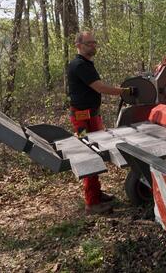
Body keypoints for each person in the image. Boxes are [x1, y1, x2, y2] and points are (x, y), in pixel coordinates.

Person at [67, 31, 137, 214]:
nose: (94, 46)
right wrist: (125, 91)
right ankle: (92, 203)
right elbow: (100, 87)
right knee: (88, 155)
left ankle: (96, 193)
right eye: (89, 43)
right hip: (82, 120)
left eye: (95, 43)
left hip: (92, 116)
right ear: (79, 45)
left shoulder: (86, 64)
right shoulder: (79, 65)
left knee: (97, 154)